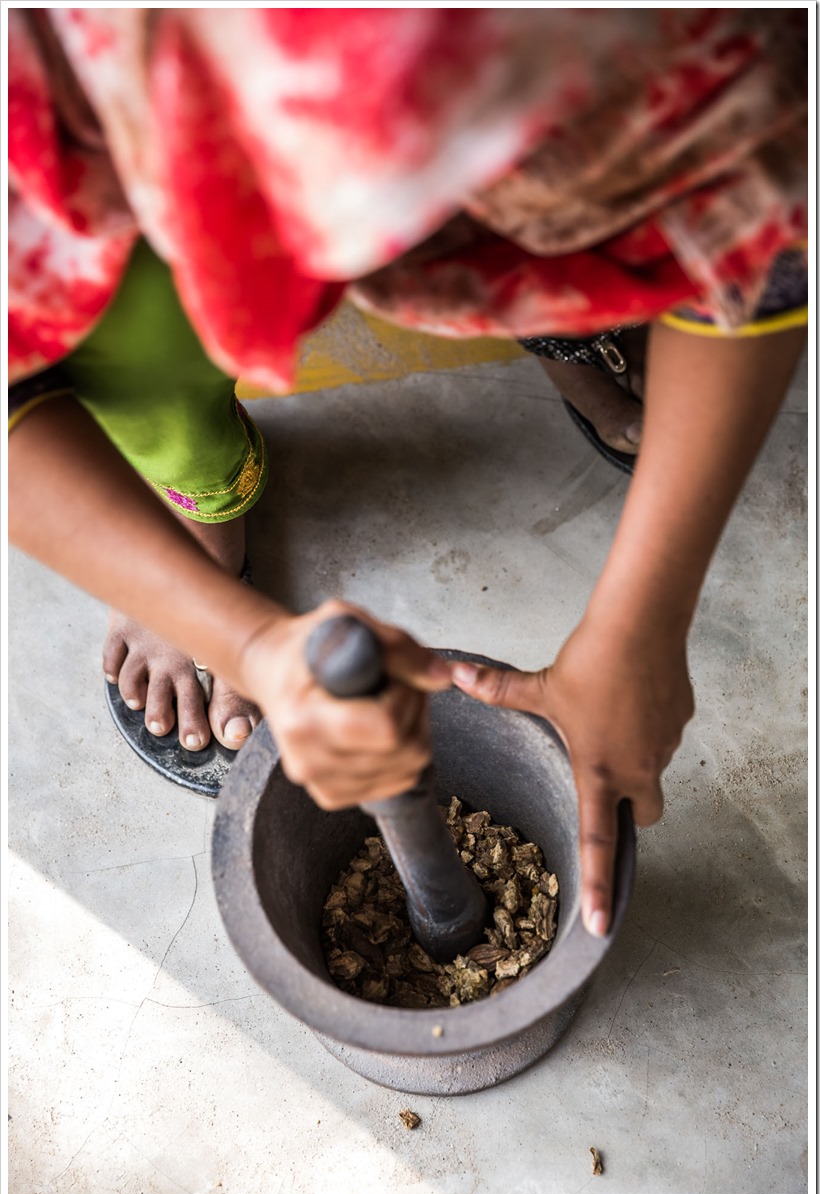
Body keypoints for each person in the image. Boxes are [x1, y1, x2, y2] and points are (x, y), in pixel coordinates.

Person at [8, 8, 808, 939]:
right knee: (141, 348)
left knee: (598, 237)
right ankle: (186, 499)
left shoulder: (678, 48)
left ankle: (566, 311)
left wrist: (644, 624)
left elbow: (763, 235)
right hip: (142, 186)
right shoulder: (43, 81)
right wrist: (247, 642)